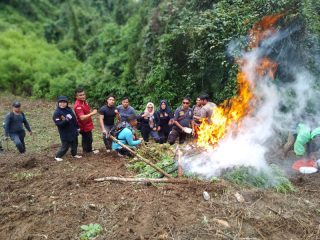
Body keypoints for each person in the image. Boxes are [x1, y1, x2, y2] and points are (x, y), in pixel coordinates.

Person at [53, 96, 82, 161]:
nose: (62, 104)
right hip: (65, 132)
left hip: (73, 130)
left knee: (75, 143)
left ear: (67, 103)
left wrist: (77, 127)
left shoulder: (69, 109)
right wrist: (66, 120)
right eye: (61, 102)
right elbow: (59, 124)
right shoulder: (57, 113)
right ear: (58, 103)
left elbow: (74, 119)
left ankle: (74, 154)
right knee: (65, 146)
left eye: (64, 102)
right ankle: (57, 156)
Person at [74, 88, 99, 154]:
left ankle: (87, 149)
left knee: (88, 138)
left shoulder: (84, 102)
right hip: (83, 126)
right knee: (88, 138)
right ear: (76, 96)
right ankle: (88, 151)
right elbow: (82, 117)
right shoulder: (78, 105)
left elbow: (86, 111)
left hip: (88, 124)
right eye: (80, 95)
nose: (83, 96)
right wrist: (93, 113)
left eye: (83, 94)